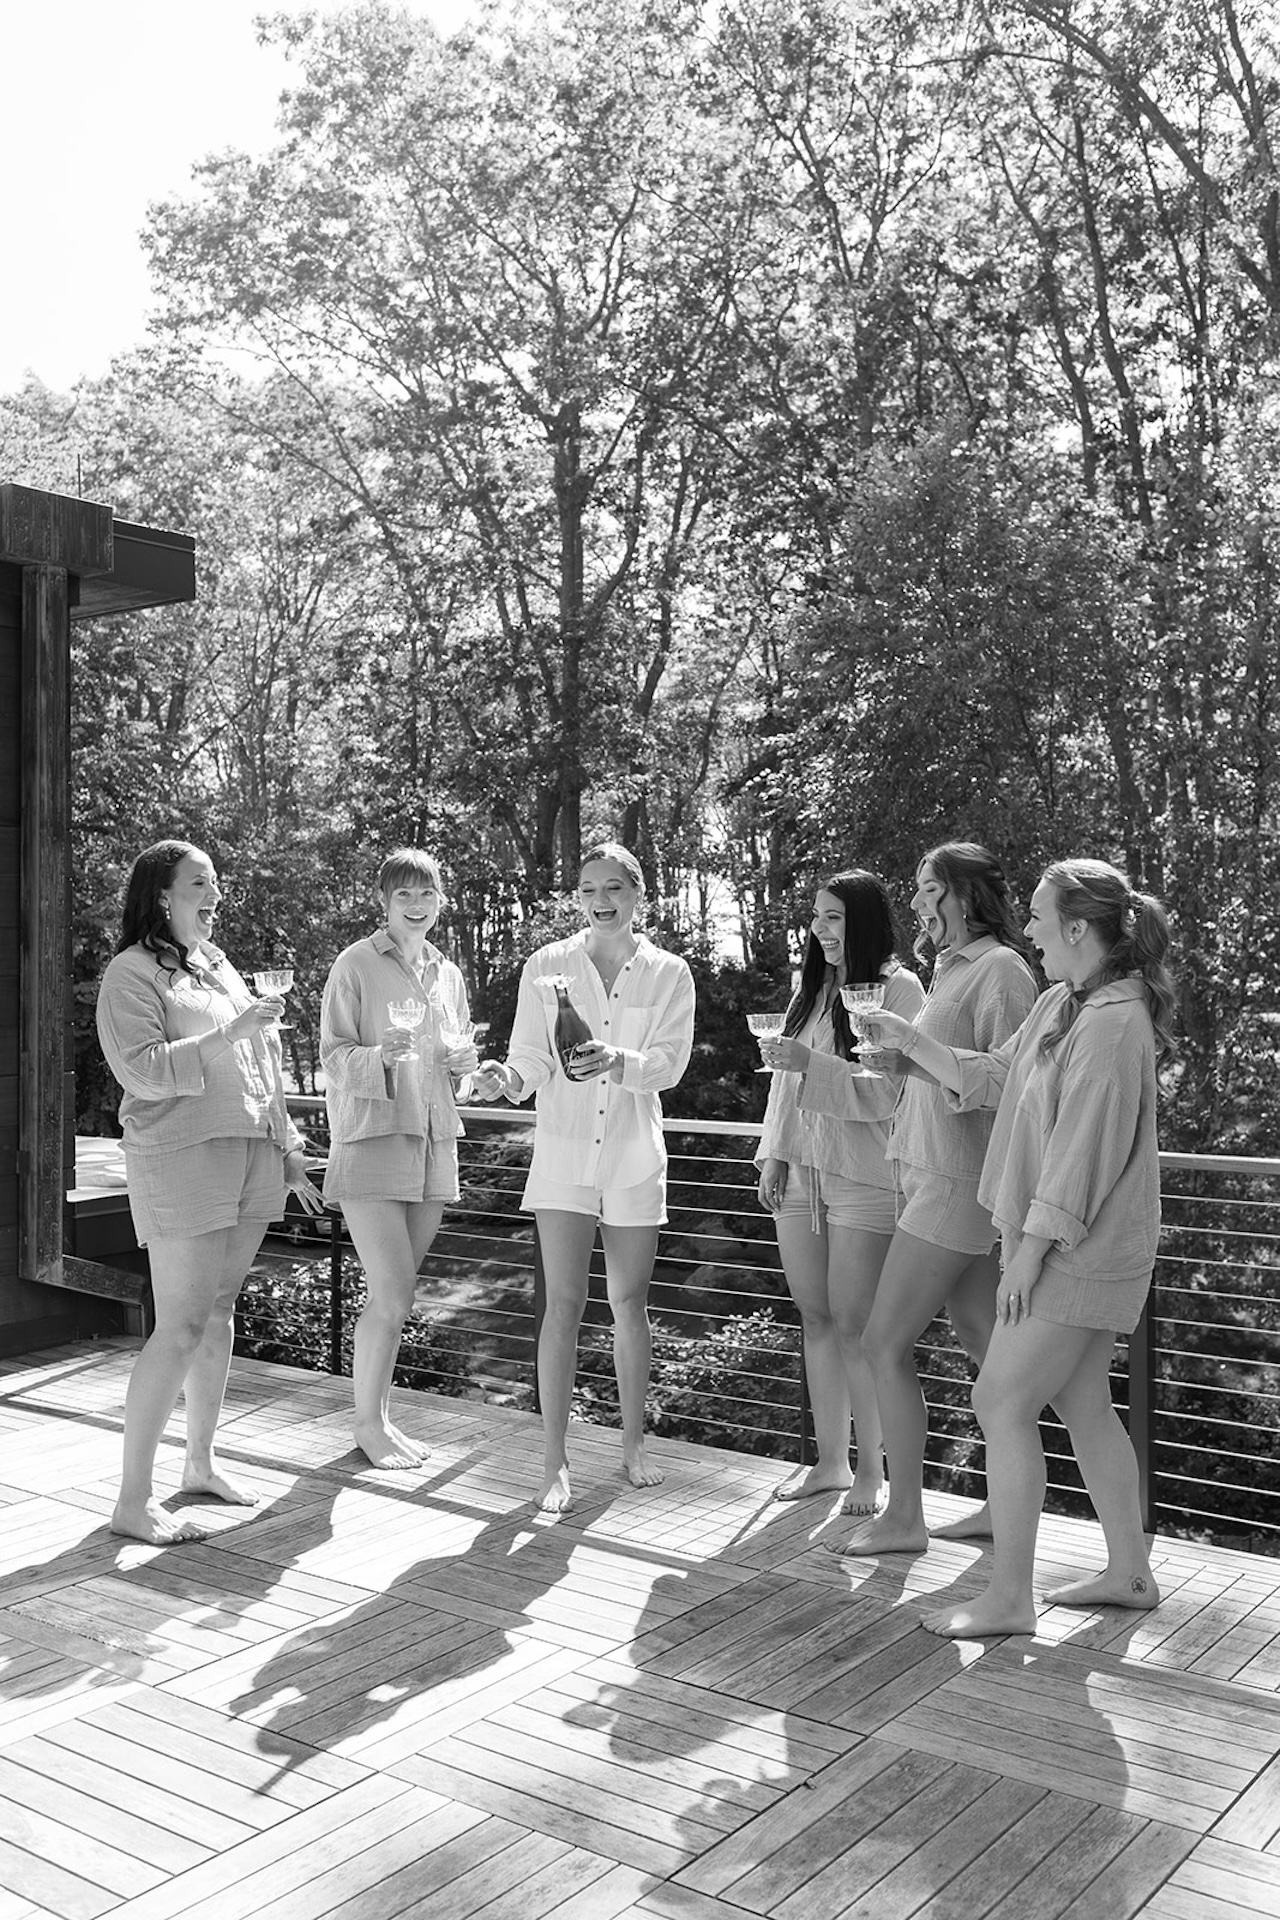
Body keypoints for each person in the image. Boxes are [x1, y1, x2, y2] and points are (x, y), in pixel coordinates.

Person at [863, 859, 1174, 1635]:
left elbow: (1080, 1157)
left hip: (1079, 1251)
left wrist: (1028, 1256)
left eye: (1038, 917)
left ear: (1078, 928)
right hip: (1072, 1244)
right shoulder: (1065, 1003)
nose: (1026, 928)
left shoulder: (1111, 1024)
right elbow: (996, 1075)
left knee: (998, 1398)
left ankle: (1010, 1598)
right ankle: (1130, 1574)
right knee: (1081, 1402)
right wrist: (910, 1042)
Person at [96, 839, 323, 1545]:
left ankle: (200, 1464)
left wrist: (286, 1149)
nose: (216, 895)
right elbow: (142, 1070)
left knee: (219, 1312)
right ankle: (132, 1501)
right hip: (182, 1157)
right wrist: (232, 1029)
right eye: (202, 883)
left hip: (252, 1156)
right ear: (163, 894)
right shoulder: (128, 975)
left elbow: (263, 1058)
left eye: (217, 883)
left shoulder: (218, 966)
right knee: (181, 1325)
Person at [474, 842, 695, 1513]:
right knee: (561, 1307)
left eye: (615, 889)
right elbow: (529, 1059)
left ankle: (633, 1447)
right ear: (578, 896)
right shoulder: (547, 965)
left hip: (633, 1157)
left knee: (630, 1307)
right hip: (565, 1155)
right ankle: (553, 1464)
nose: (601, 901)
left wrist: (619, 1059)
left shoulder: (669, 974)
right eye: (589, 889)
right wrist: (504, 1080)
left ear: (638, 895)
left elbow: (670, 1064)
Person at [838, 841, 1039, 1556]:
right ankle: (1000, 1508)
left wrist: (915, 1056)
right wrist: (904, 1063)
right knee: (989, 1349)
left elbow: (1011, 1085)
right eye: (918, 890)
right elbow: (947, 1073)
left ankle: (905, 1517)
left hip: (958, 1185)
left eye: (930, 889)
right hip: (929, 1174)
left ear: (967, 894)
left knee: (882, 1343)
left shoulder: (1002, 970)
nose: (918, 901)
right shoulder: (948, 968)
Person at [755, 871, 925, 1513]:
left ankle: (871, 1474)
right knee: (817, 1318)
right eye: (817, 918)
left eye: (834, 918)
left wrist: (812, 1067)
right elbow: (781, 1085)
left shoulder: (902, 989)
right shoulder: (809, 987)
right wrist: (773, 1154)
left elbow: (893, 1091)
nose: (821, 930)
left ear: (865, 920)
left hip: (865, 1173)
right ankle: (829, 1462)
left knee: (857, 1324)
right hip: (799, 1168)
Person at [320, 848, 480, 1469]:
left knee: (400, 1293)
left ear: (441, 900)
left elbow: (453, 1070)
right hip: (373, 1139)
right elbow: (332, 1056)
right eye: (404, 896)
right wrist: (379, 1056)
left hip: (434, 1142)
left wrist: (464, 1069)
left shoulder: (448, 974)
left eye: (428, 895)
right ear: (384, 903)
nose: (417, 907)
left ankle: (379, 1418)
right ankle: (367, 1423)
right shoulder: (355, 964)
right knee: (390, 1291)